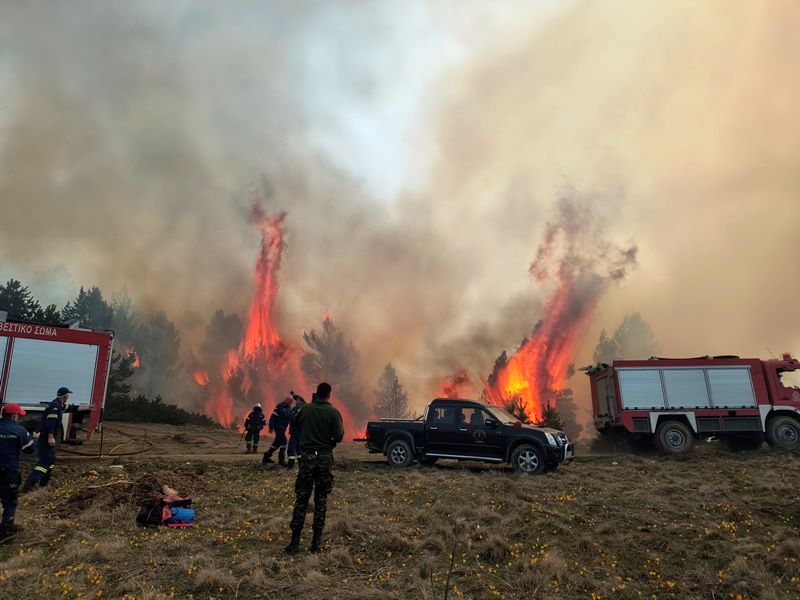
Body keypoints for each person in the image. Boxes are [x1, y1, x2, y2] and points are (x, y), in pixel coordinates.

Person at [285, 382, 344, 554]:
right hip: (324, 459)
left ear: (316, 394)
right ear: (329, 395)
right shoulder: (334, 412)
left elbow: (295, 424)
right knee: (321, 500)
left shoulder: (305, 410)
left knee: (301, 499)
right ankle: (316, 544)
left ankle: (294, 543)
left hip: (307, 458)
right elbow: (339, 436)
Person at [22, 387, 71, 492]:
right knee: (45, 462)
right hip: (46, 438)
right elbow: (50, 423)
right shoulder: (55, 407)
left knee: (50, 460)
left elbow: (71, 407)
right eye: (68, 395)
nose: (68, 397)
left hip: (45, 437)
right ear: (65, 396)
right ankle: (28, 486)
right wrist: (51, 437)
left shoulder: (58, 404)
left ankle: (43, 485)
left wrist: (88, 408)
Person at [0, 404, 36, 541]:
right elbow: (30, 450)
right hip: (9, 473)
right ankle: (5, 532)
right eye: (19, 416)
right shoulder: (19, 430)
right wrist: (36, 439)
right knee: (10, 503)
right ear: (14, 416)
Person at [262, 395, 294, 466]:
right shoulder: (279, 406)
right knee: (284, 442)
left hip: (283, 428)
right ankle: (281, 461)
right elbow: (273, 417)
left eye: (291, 402)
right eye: (289, 401)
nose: (290, 403)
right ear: (285, 400)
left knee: (276, 443)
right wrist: (271, 427)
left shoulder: (289, 409)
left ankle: (266, 456)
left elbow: (291, 418)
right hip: (278, 427)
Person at [285, 392, 308, 469]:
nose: (295, 401)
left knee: (292, 447)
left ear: (300, 401)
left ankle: (290, 465)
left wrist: (289, 415)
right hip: (300, 431)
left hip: (296, 430)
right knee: (299, 449)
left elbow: (293, 418)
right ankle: (301, 465)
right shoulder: (303, 407)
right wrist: (293, 394)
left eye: (297, 400)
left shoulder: (299, 408)